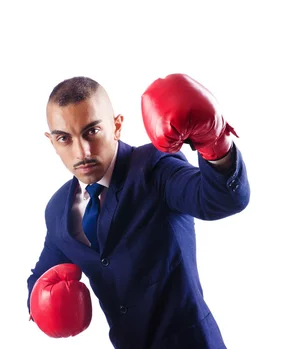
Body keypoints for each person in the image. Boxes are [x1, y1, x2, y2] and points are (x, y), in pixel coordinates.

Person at [26, 73, 250, 348]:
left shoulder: (154, 166)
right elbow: (42, 275)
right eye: (64, 138)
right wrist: (40, 304)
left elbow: (221, 198)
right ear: (52, 142)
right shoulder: (59, 209)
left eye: (92, 132)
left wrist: (214, 143)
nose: (81, 151)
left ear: (117, 126)